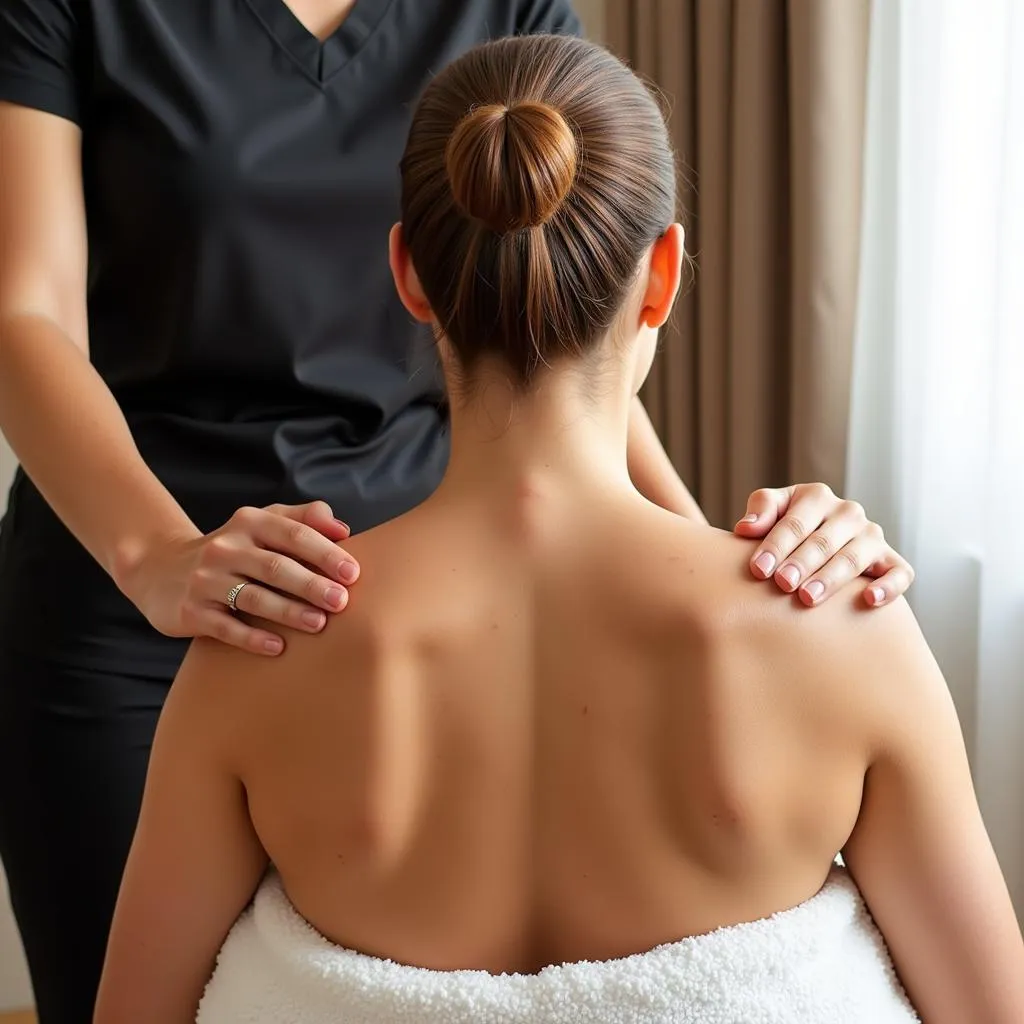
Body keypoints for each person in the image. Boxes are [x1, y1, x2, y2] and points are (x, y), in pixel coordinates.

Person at [0, 2, 914, 1021]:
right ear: (670, 273)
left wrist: (724, 572)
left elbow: (563, 307)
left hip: (413, 597)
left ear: (404, 273)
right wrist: (156, 556)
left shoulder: (506, 8)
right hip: (127, 597)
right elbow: (24, 311)